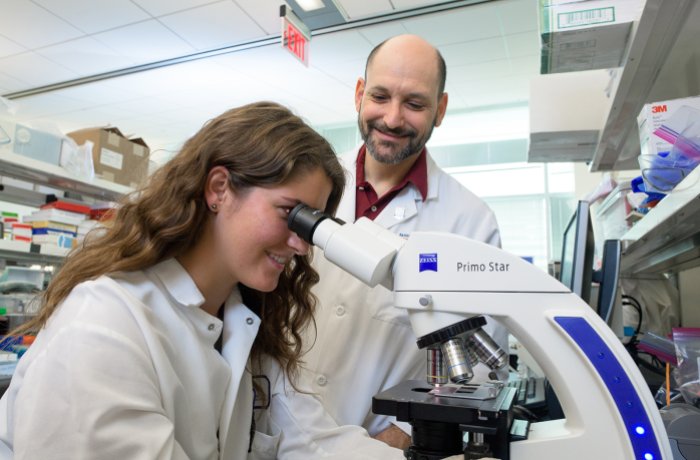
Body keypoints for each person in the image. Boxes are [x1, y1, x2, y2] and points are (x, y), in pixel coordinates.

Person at [0, 102, 404, 459]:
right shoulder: (105, 325)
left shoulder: (242, 326)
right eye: (290, 213)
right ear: (219, 189)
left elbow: (313, 441)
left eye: (312, 226)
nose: (301, 243)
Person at [299, 34, 508, 449]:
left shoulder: (470, 221)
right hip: (275, 438)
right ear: (360, 94)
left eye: (414, 103)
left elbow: (481, 370)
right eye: (380, 96)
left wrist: (401, 440)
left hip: (384, 445)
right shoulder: (306, 187)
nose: (392, 119)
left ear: (440, 109)